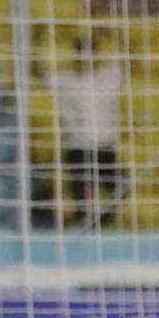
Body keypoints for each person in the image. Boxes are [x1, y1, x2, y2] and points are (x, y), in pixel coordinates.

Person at [52, 30, 128, 226]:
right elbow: (36, 72)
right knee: (81, 196)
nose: (88, 55)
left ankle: (103, 219)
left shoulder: (109, 76)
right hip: (77, 145)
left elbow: (133, 59)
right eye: (83, 50)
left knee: (121, 187)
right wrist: (35, 37)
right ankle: (85, 226)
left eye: (92, 50)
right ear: (76, 53)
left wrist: (115, 36)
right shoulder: (65, 78)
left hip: (104, 144)